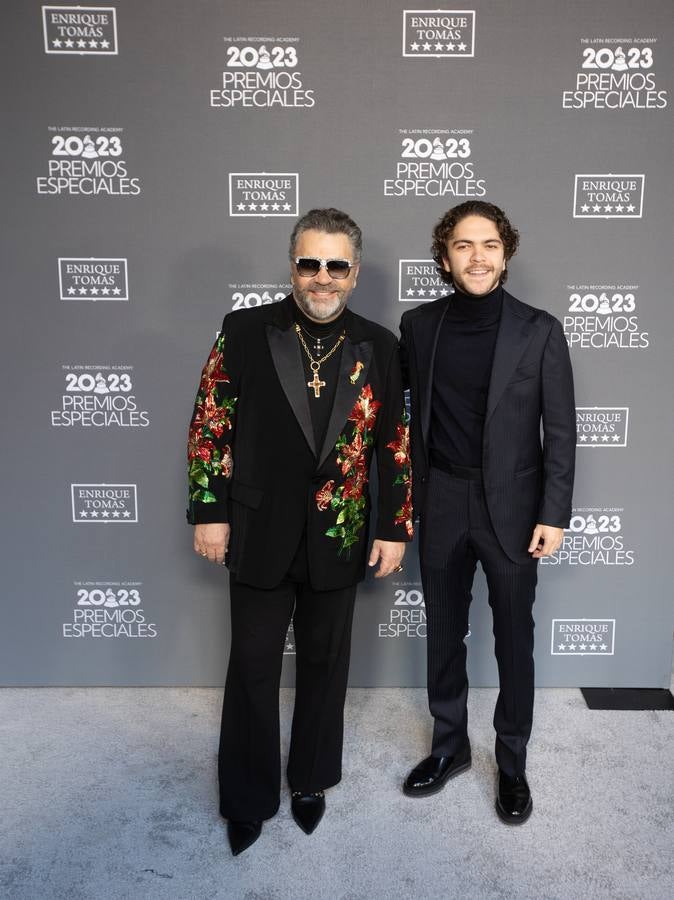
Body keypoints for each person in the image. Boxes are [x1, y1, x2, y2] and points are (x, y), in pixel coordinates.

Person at [187, 208, 412, 855]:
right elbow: (210, 426)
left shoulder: (379, 344)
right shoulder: (245, 329)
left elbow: (394, 445)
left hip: (338, 533)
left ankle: (311, 778)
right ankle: (248, 796)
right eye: (309, 264)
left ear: (354, 272)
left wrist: (394, 526)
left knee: (325, 663)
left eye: (335, 265)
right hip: (257, 528)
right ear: (292, 267)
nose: (322, 277)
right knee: (253, 667)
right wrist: (209, 510)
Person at [399, 201, 575, 824]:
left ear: (506, 253)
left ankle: (513, 761)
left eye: (491, 244)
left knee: (513, 640)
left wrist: (553, 513)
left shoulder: (540, 330)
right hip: (442, 497)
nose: (479, 256)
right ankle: (449, 748)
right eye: (465, 245)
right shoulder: (418, 326)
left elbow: (561, 430)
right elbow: (405, 425)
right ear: (445, 257)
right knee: (444, 635)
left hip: (514, 507)